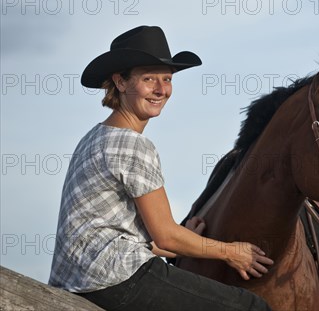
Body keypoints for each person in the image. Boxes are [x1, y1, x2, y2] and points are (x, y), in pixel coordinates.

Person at [49, 26, 274, 311]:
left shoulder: (93, 138)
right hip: (114, 278)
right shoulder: (133, 145)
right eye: (148, 78)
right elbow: (165, 235)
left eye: (166, 79)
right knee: (252, 307)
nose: (161, 89)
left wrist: (188, 240)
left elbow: (124, 234)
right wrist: (231, 252)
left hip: (76, 276)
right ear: (120, 81)